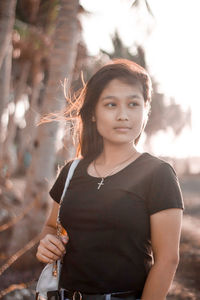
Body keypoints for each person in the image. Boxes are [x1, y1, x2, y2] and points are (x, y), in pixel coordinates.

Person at [36, 58, 184, 300]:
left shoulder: (158, 174)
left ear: (145, 111)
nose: (123, 115)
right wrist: (47, 243)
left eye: (133, 104)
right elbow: (50, 227)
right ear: (93, 113)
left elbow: (167, 260)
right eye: (111, 104)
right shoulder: (71, 171)